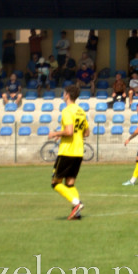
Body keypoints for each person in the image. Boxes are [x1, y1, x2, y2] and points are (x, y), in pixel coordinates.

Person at [48, 83, 89, 220]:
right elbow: (87, 133)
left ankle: (77, 204)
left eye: (64, 93)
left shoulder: (67, 111)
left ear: (67, 95)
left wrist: (55, 133)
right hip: (78, 152)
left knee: (55, 183)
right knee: (70, 183)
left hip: (67, 151)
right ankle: (76, 213)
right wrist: (64, 134)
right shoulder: (81, 111)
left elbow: (70, 131)